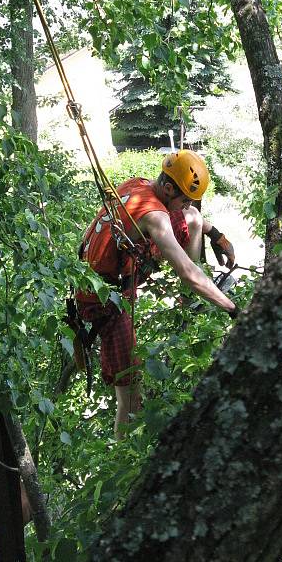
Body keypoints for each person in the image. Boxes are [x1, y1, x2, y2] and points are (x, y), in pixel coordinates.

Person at [76, 150, 238, 435]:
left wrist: (214, 234)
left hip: (114, 271)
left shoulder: (138, 184)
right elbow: (187, 272)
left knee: (192, 218)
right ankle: (123, 459)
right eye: (184, 198)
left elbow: (188, 215)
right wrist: (232, 309)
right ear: (167, 188)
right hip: (105, 301)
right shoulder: (155, 216)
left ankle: (189, 302)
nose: (187, 204)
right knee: (131, 395)